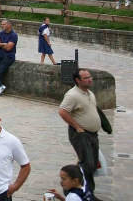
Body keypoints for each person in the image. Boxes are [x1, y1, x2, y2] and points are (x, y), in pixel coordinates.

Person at [58, 68, 101, 196]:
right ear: (77, 80)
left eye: (90, 77)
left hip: (92, 134)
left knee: (91, 164)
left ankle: (75, 185)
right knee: (87, 164)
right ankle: (86, 193)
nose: (90, 79)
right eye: (86, 78)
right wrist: (77, 127)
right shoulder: (72, 95)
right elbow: (62, 111)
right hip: (81, 135)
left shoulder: (89, 93)